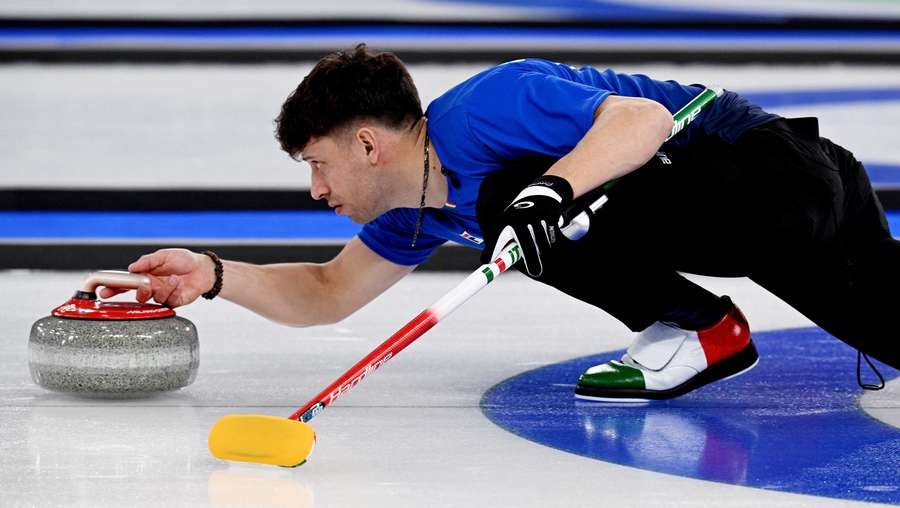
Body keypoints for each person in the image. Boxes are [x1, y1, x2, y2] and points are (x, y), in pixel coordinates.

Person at [105, 44, 898, 401]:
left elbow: (643, 120)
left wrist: (547, 194)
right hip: (784, 215)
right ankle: (707, 330)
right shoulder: (419, 211)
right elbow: (325, 291)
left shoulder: (489, 106)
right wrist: (211, 276)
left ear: (370, 144)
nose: (316, 188)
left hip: (768, 174)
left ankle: (698, 326)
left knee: (512, 208)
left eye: (318, 163)